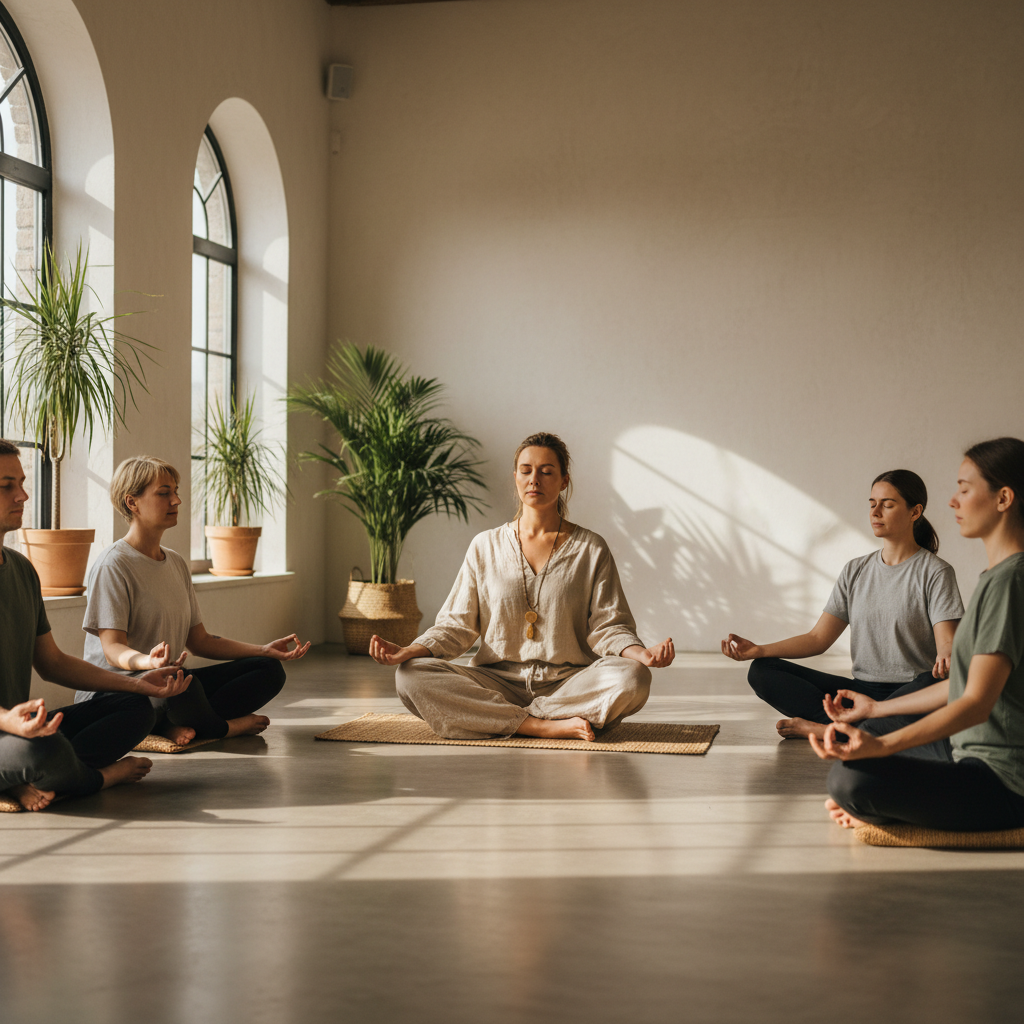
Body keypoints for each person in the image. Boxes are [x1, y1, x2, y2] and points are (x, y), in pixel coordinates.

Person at [368, 432, 675, 741]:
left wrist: (642, 655)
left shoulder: (590, 548)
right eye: (526, 470)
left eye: (546, 471)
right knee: (411, 675)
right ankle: (541, 725)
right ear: (515, 477)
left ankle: (501, 719)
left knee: (633, 678)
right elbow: (456, 625)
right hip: (495, 680)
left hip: (569, 683)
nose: (534, 480)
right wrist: (409, 651)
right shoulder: (485, 546)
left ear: (564, 480)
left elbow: (609, 625)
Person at [816, 438, 1024, 833]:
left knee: (850, 779)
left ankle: (882, 801)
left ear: (1003, 498)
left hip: (1005, 780)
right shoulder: (995, 577)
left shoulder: (1009, 582)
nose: (952, 501)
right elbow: (963, 685)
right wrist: (875, 709)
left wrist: (884, 748)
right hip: (966, 747)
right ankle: (887, 797)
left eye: (964, 488)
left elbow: (976, 703)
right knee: (860, 748)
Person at [0, 439, 192, 811]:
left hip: (21, 734)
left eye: (22, 483)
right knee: (43, 750)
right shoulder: (113, 563)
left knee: (135, 709)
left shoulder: (21, 570)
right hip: (16, 734)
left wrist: (134, 684)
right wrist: (9, 720)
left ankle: (28, 776)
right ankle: (100, 777)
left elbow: (53, 663)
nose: (23, 495)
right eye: (6, 486)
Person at [77, 456, 310, 746]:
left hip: (166, 684)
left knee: (266, 670)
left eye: (175, 492)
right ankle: (221, 728)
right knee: (181, 684)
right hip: (118, 692)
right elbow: (112, 650)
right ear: (132, 503)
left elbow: (200, 641)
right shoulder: (113, 565)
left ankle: (172, 722)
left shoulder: (175, 562)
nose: (176, 500)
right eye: (164, 493)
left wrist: (263, 649)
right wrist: (148, 662)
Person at [721, 469, 964, 741]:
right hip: (860, 694)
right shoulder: (855, 570)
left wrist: (947, 654)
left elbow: (947, 643)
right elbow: (818, 638)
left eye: (888, 504)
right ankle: (851, 729)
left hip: (910, 694)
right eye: (872, 504)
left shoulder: (935, 572)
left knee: (940, 685)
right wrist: (759, 650)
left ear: (915, 512)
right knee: (763, 671)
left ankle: (833, 730)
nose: (875, 512)